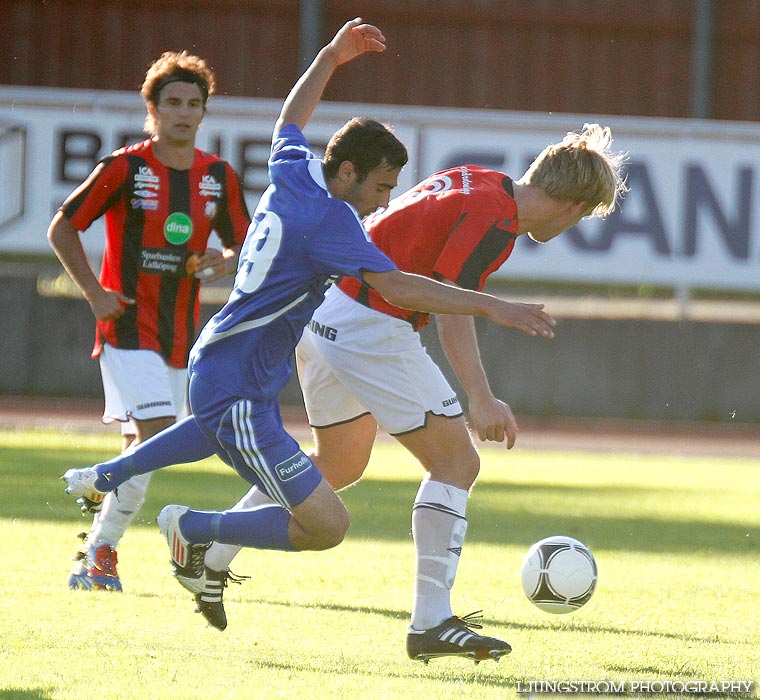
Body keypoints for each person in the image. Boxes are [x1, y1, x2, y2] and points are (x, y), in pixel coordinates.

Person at [62, 17, 557, 664]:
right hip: (241, 381)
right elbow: (402, 289)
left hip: (234, 367)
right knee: (328, 523)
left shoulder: (294, 173)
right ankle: (189, 527)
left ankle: (125, 488)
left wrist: (329, 57)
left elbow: (288, 121)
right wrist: (494, 307)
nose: (383, 202)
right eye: (380, 188)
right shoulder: (333, 224)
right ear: (348, 173)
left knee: (315, 467)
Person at [177, 124, 628, 659]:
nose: (576, 223)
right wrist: (480, 398)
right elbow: (451, 310)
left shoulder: (481, 182)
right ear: (572, 202)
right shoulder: (494, 221)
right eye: (582, 213)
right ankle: (431, 622)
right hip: (369, 325)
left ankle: (212, 551)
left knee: (338, 464)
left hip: (325, 314)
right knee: (457, 463)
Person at [49, 49, 250, 591]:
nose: (183, 112)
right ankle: (102, 553)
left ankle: (93, 544)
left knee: (145, 445)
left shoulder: (218, 176)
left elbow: (243, 244)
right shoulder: (124, 167)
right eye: (172, 102)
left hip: (182, 336)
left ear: (204, 112)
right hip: (126, 327)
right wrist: (94, 293)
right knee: (158, 434)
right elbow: (63, 226)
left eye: (194, 103)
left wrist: (224, 260)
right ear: (152, 108)